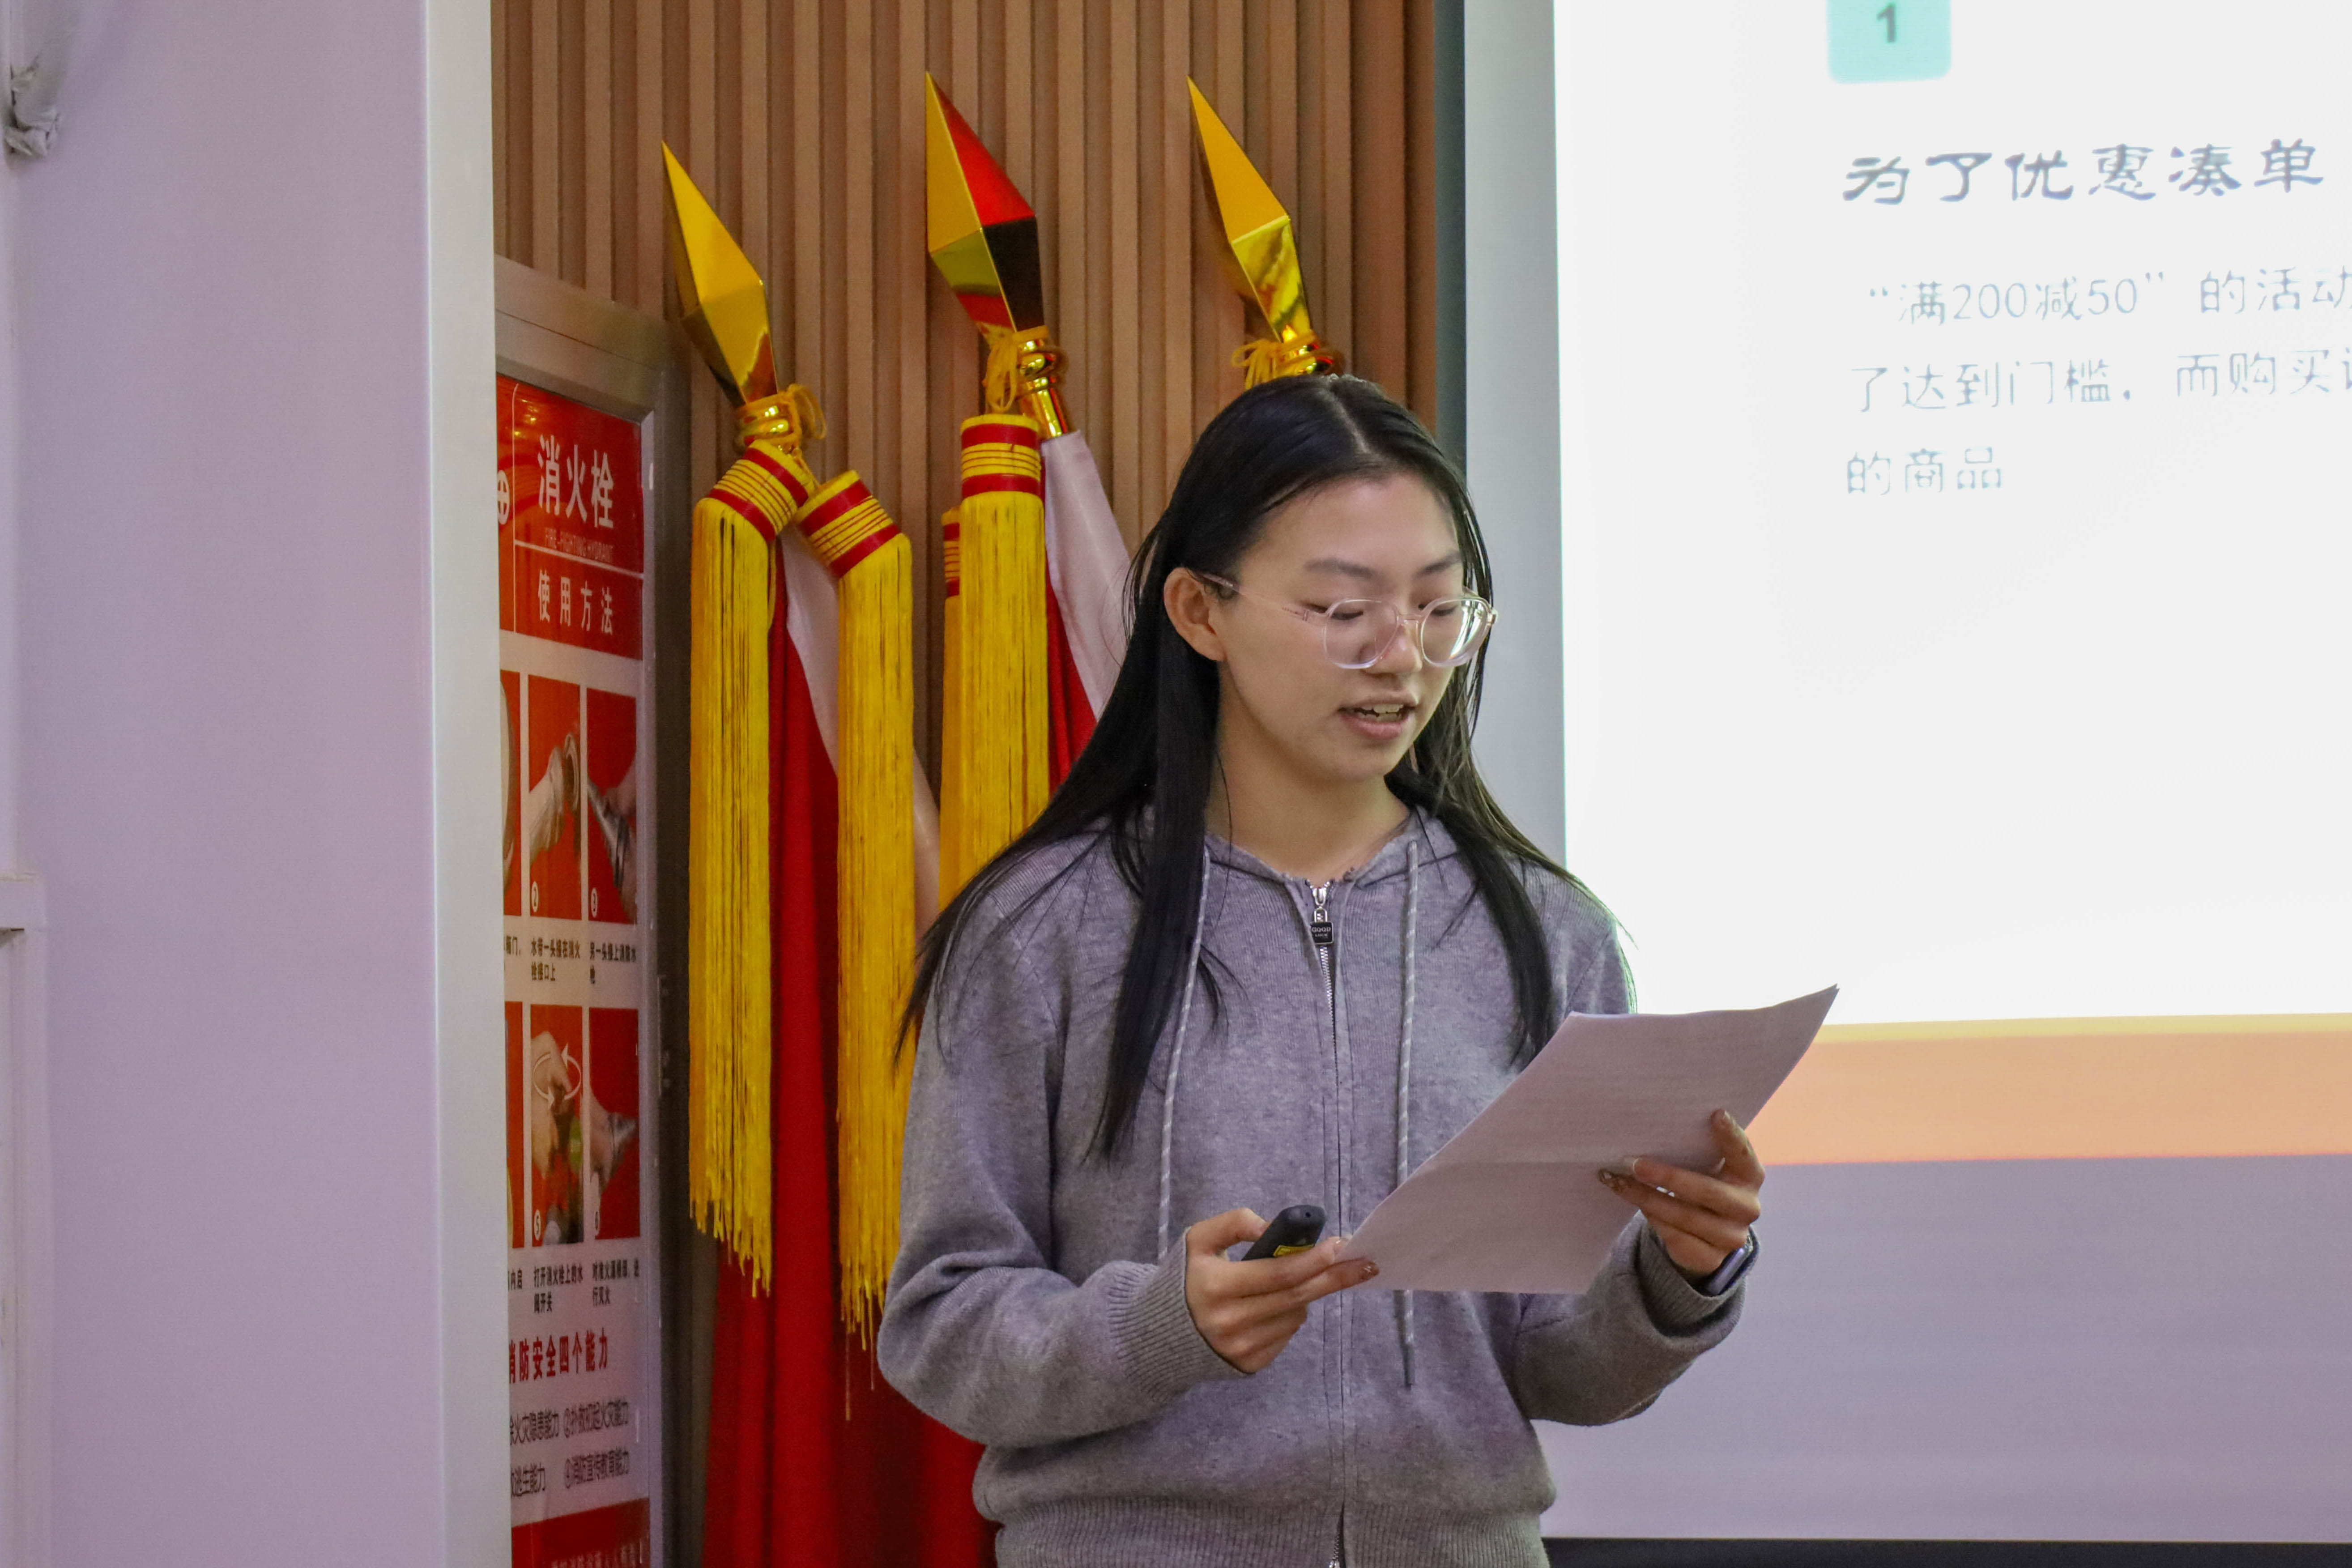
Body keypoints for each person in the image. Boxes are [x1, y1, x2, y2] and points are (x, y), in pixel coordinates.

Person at [879, 375, 1764, 1566]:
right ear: (1200, 611)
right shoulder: (1043, 929)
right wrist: (1164, 1325)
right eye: (1345, 609)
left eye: (1440, 609)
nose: (1402, 657)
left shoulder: (1549, 934)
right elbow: (944, 1326)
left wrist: (1677, 1273)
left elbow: (1560, 1366)